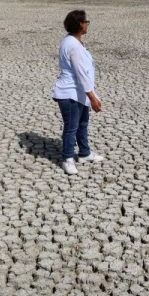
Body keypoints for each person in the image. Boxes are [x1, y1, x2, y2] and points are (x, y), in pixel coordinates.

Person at [51, 10, 104, 175]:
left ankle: (84, 153)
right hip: (70, 93)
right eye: (86, 21)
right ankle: (67, 158)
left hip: (78, 93)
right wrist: (93, 97)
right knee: (71, 127)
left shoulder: (73, 41)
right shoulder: (73, 45)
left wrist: (90, 95)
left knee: (82, 124)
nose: (88, 24)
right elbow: (81, 74)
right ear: (81, 24)